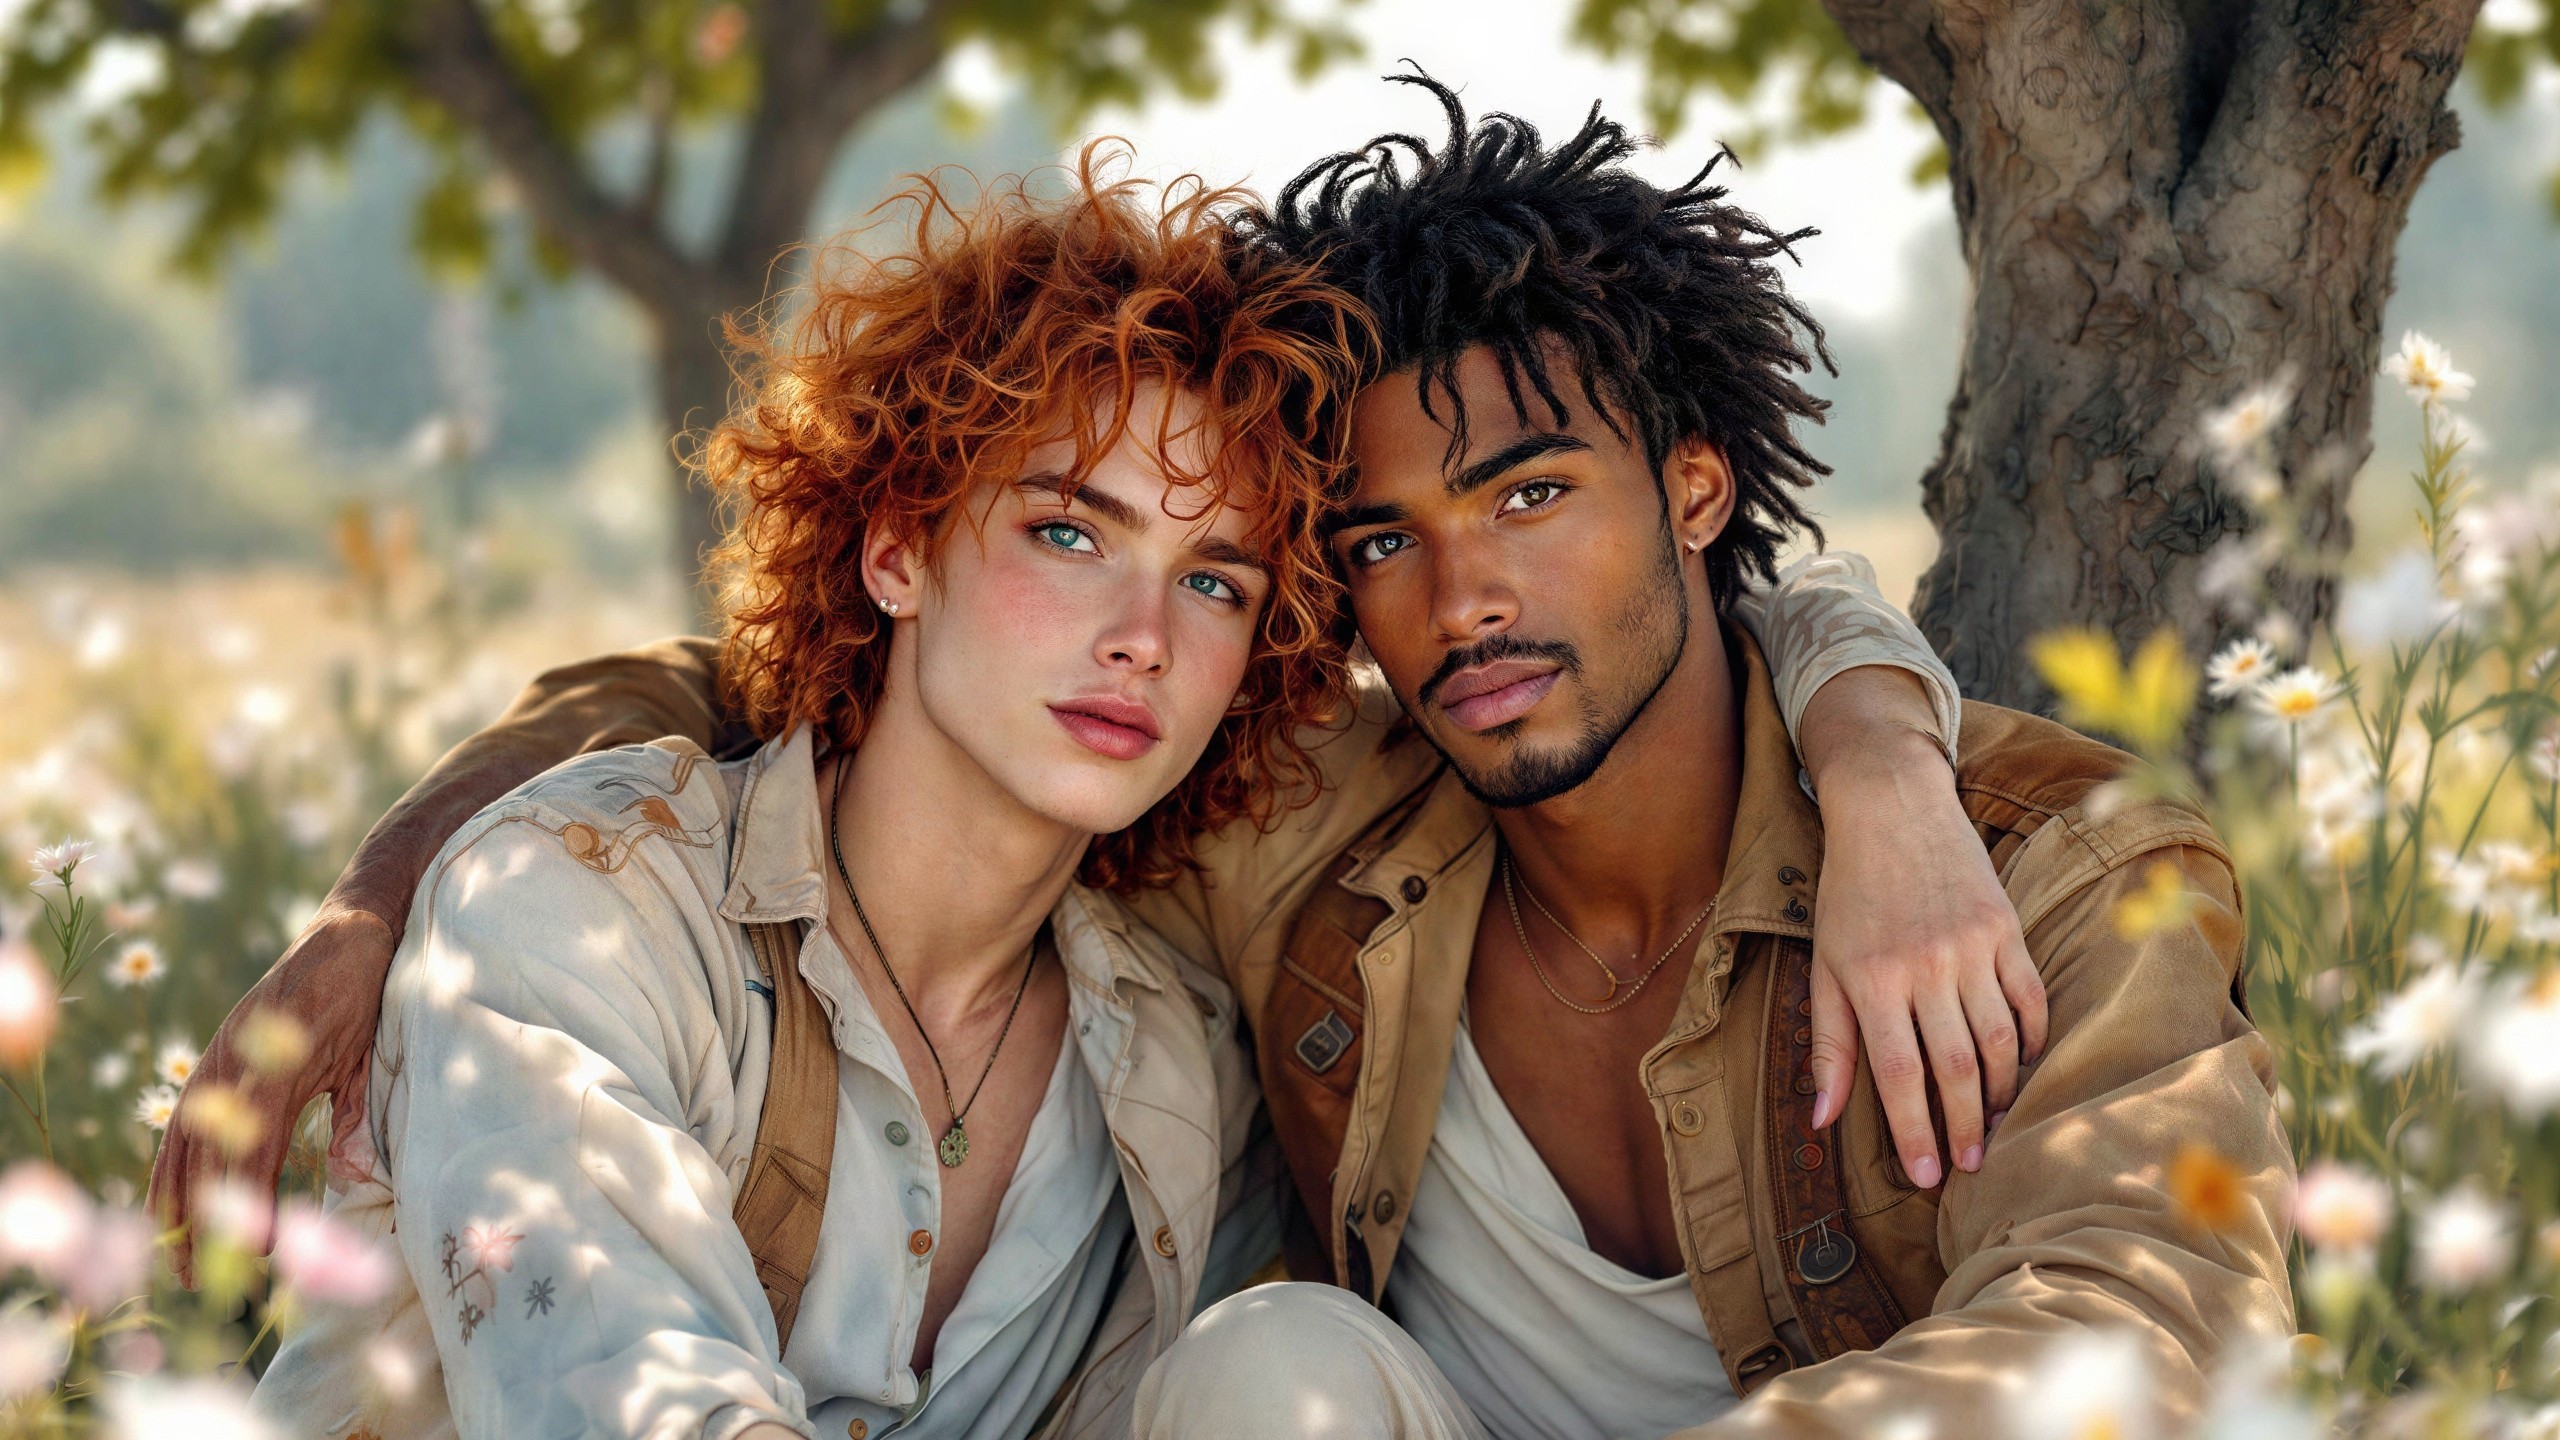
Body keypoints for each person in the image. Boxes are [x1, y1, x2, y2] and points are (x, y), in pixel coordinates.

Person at [213, 142, 2017, 1440]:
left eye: (1218, 577)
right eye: (1068, 532)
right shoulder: (578, 900)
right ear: (899, 548)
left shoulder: (1179, 1032)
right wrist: (384, 889)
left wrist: (1879, 754)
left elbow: (1687, 621)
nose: (1140, 633)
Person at [1117, 80, 2297, 1438]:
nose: (1463, 602)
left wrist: (1878, 758)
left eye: (1530, 496)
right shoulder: (1311, 838)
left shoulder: (2042, 868)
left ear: (1695, 490)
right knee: (1269, 1362)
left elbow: (2144, 1338)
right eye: (1388, 542)